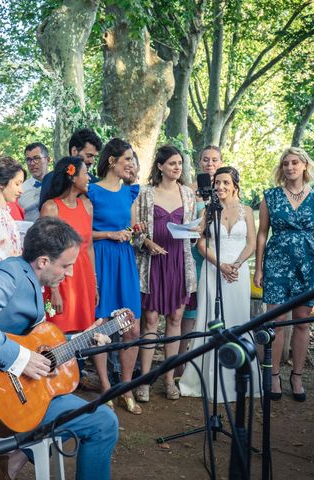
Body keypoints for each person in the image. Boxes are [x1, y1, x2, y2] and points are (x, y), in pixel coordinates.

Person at [0, 217, 118, 480]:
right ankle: (14, 455)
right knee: (104, 423)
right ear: (43, 261)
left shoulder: (28, 277)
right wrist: (19, 358)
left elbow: (35, 341)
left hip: (24, 389)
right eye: (66, 265)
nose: (70, 273)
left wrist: (84, 338)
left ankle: (12, 459)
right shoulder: (9, 275)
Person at [254, 147, 314, 402]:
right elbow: (263, 233)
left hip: (308, 265)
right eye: (285, 163)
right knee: (276, 321)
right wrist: (259, 268)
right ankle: (273, 375)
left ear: (305, 165)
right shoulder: (271, 197)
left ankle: (296, 376)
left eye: (295, 162)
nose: (289, 167)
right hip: (276, 263)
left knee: (302, 321)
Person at [179, 167, 260, 400]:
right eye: (217, 183)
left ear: (235, 185)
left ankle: (239, 377)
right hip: (214, 270)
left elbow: (251, 243)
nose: (220, 187)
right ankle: (205, 378)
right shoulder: (209, 210)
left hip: (238, 271)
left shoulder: (246, 210)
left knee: (238, 318)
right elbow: (201, 244)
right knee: (209, 320)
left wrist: (236, 264)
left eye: (225, 183)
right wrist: (221, 265)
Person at [135, 145, 198, 403]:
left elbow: (194, 230)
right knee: (150, 320)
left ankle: (169, 379)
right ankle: (145, 380)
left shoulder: (188, 194)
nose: (177, 167)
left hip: (179, 262)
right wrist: (146, 242)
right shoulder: (145, 194)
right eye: (172, 163)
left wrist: (194, 233)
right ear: (160, 166)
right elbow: (134, 229)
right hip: (153, 262)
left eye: (179, 164)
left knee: (175, 318)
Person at [87, 138, 143, 415]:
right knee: (103, 325)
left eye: (132, 160)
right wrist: (109, 234)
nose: (131, 164)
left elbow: (132, 227)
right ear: (112, 161)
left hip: (125, 260)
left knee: (132, 326)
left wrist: (136, 232)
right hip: (100, 259)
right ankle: (106, 386)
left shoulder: (129, 192)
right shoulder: (92, 191)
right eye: (127, 159)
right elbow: (82, 233)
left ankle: (126, 386)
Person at [178, 145, 224, 374]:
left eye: (215, 160)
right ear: (199, 163)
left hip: (217, 254)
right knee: (190, 311)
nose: (210, 164)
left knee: (212, 308)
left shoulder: (227, 189)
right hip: (192, 255)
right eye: (205, 159)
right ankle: (181, 361)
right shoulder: (188, 190)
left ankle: (209, 361)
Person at [41, 156, 96, 333]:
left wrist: (94, 283)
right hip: (59, 279)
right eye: (86, 173)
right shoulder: (51, 207)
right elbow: (44, 250)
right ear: (72, 177)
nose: (89, 178)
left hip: (83, 278)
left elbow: (89, 247)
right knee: (58, 331)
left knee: (84, 333)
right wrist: (54, 289)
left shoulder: (87, 205)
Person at [39, 128, 102, 209]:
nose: (92, 161)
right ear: (74, 151)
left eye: (94, 157)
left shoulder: (94, 183)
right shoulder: (50, 178)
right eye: (89, 156)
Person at [19, 142, 51, 222]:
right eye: (28, 160)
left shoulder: (59, 184)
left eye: (36, 158)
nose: (32, 163)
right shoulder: (20, 189)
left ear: (48, 159)